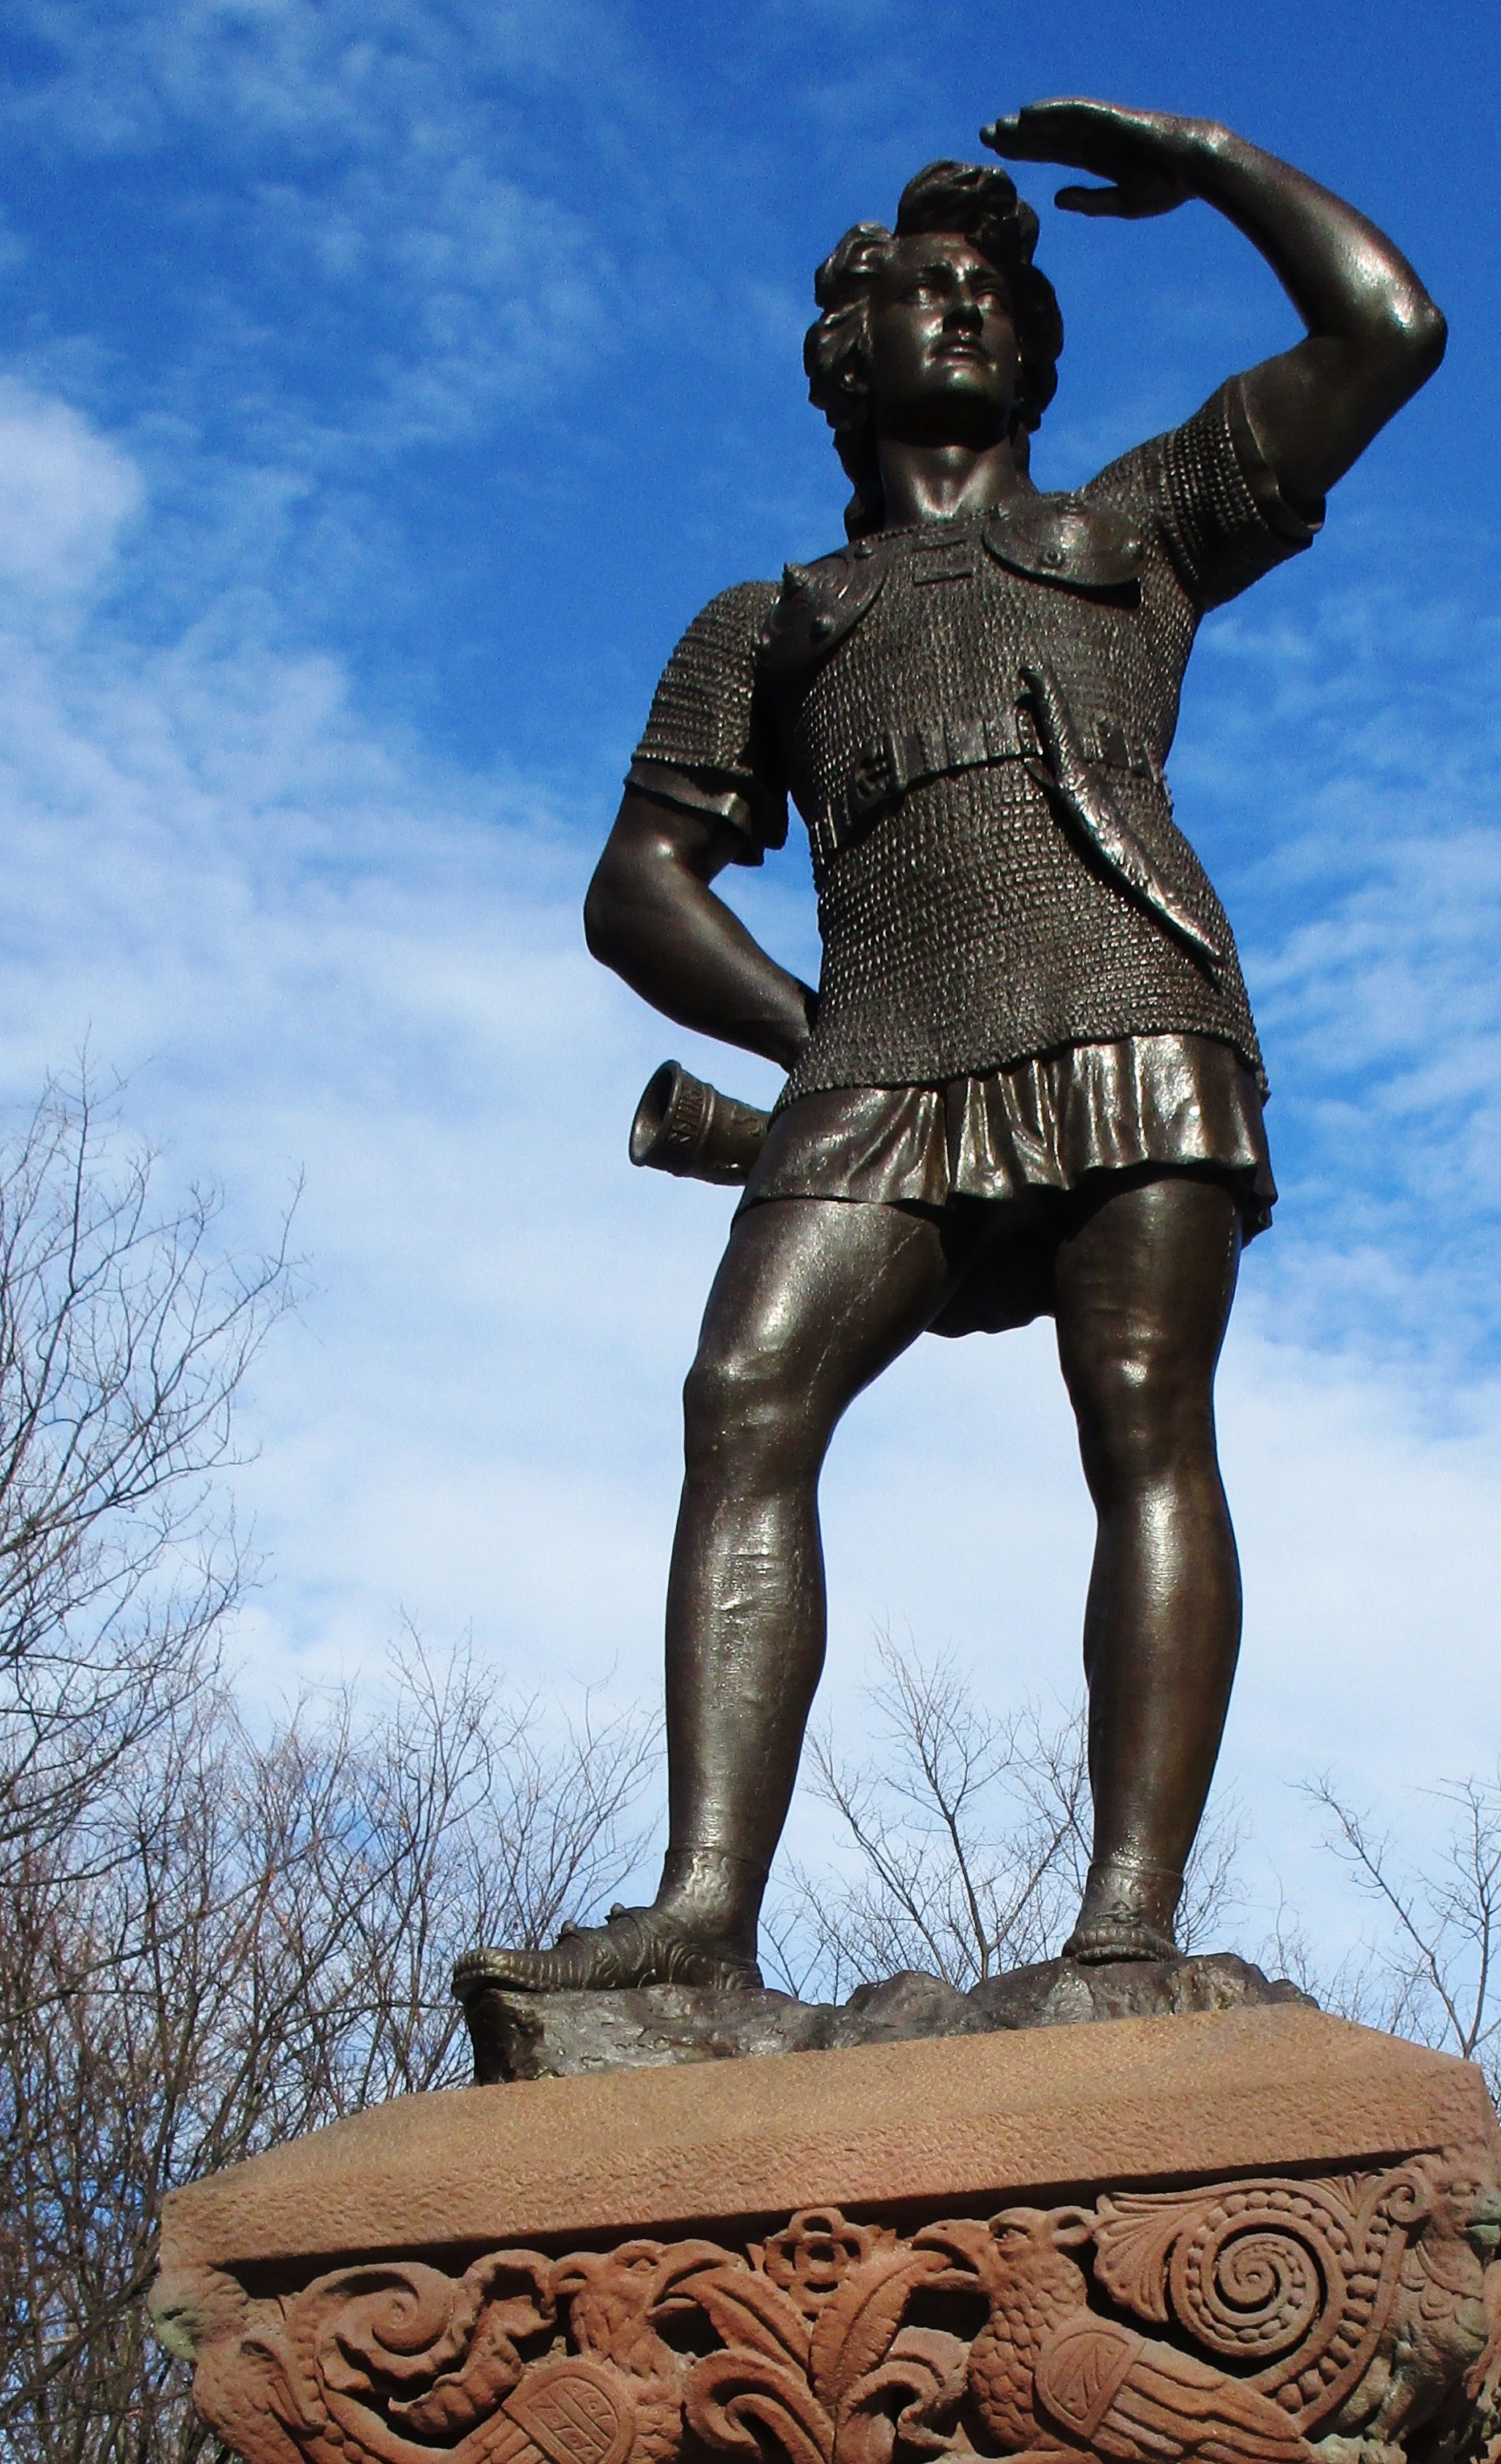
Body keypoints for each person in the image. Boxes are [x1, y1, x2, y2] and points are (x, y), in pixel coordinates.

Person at [492, 98, 1443, 1992]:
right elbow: (637, 888)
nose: (967, 310)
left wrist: (1207, 158)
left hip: (1132, 1012)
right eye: (926, 290)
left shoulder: (1133, 533)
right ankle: (701, 1918)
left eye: (997, 295)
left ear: (1036, 352)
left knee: (1144, 1422)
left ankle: (1126, 1925)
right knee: (743, 1401)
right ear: (848, 356)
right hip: (881, 1057)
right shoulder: (774, 622)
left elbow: (1385, 330)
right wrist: (815, 1038)